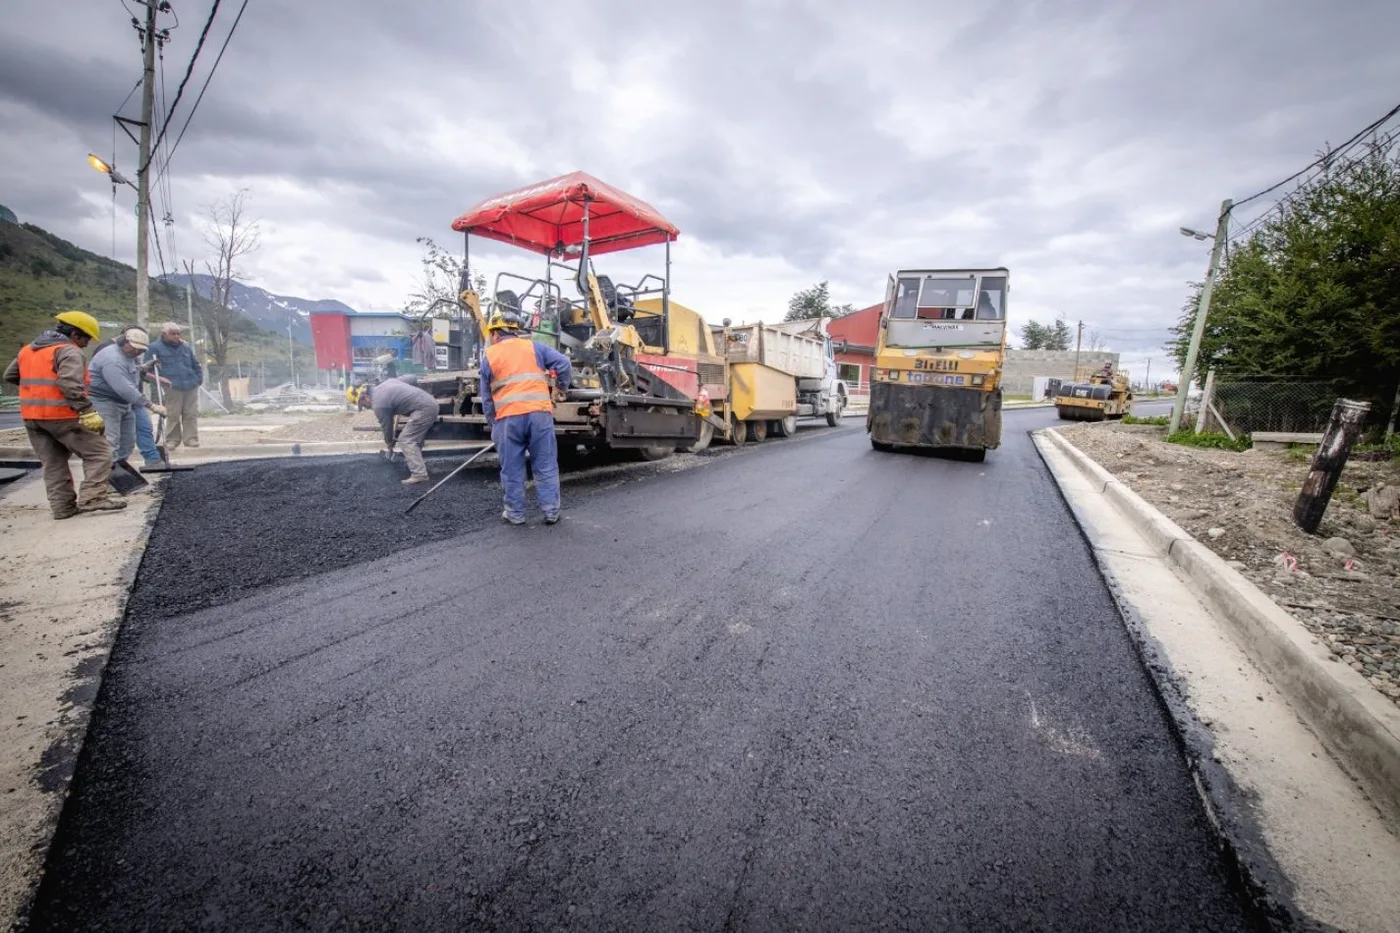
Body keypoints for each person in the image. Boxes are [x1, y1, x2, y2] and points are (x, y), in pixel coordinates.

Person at [2, 311, 126, 518]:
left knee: (53, 463)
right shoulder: (69, 351)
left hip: (32, 417)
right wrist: (87, 411)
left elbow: (10, 375)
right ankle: (93, 497)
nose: (86, 343)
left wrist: (38, 393)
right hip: (61, 415)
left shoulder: (27, 350)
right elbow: (69, 384)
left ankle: (63, 508)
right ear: (75, 333)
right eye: (85, 337)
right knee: (100, 453)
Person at [479, 310, 572, 525]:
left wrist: (493, 423)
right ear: (515, 332)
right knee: (545, 464)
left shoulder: (489, 357)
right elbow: (564, 364)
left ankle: (515, 514)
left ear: (495, 334)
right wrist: (560, 388)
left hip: (507, 420)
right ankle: (551, 511)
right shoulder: (534, 347)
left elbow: (486, 399)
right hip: (539, 415)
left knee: (511, 469)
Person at [89, 327, 167, 468]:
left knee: (128, 440)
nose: (138, 352)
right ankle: (106, 478)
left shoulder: (129, 355)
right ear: (124, 342)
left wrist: (142, 368)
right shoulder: (112, 359)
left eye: (141, 350)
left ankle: (119, 469)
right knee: (110, 441)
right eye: (135, 348)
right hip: (105, 402)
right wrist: (151, 405)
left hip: (125, 403)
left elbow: (130, 372)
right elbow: (124, 388)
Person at [365, 377, 440, 485]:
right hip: (429, 402)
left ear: (365, 397)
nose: (366, 407)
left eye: (363, 405)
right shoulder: (387, 383)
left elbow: (387, 426)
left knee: (406, 439)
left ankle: (419, 474)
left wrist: (389, 443)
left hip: (424, 409)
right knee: (414, 439)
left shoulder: (378, 404)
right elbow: (411, 378)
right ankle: (412, 464)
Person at [144, 322, 203, 449]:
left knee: (190, 413)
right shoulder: (154, 347)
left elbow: (195, 364)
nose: (176, 336)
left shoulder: (186, 347)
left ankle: (191, 439)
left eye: (178, 333)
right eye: (173, 334)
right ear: (164, 334)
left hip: (190, 383)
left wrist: (199, 379)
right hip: (171, 386)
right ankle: (172, 440)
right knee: (173, 413)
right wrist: (158, 380)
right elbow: (146, 369)